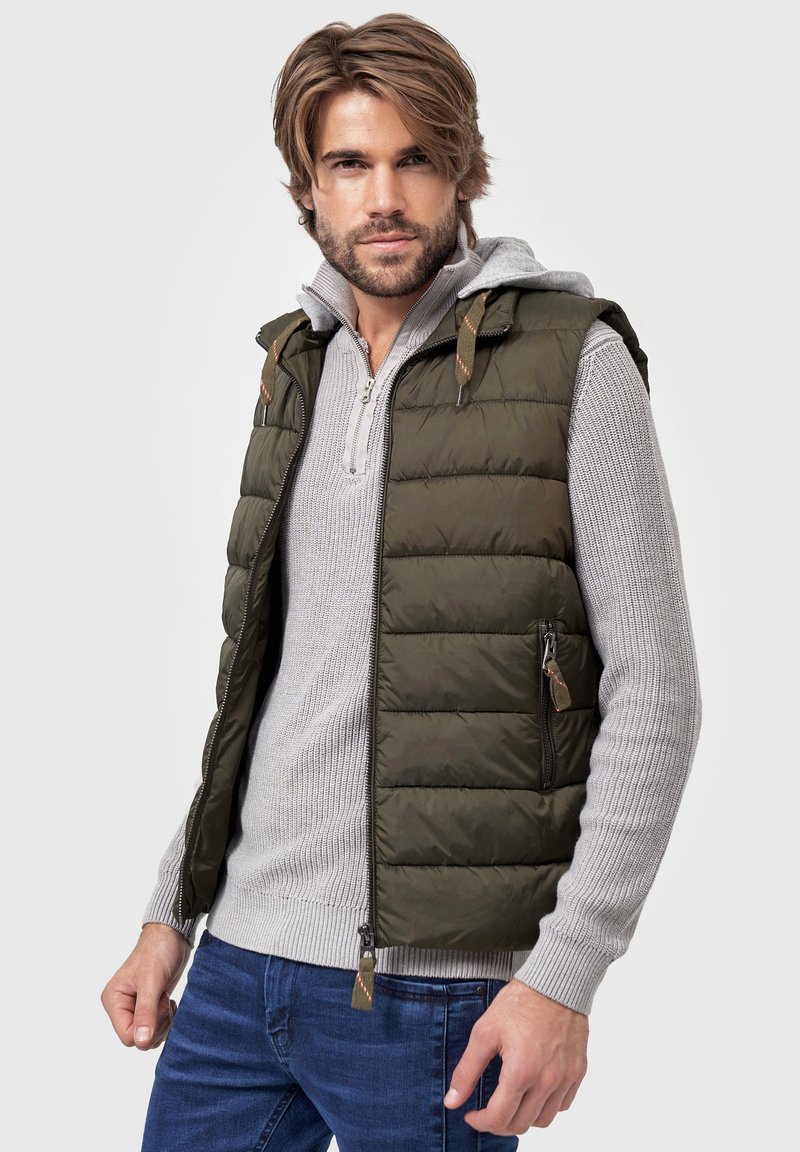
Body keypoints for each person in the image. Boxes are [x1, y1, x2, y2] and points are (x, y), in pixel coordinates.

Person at [100, 13, 703, 1150]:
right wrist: (170, 909)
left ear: (462, 169)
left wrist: (563, 976)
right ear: (307, 186)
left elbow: (657, 694)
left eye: (415, 158)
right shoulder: (293, 365)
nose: (384, 197)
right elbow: (264, 686)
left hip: (436, 999)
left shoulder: (573, 360)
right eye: (349, 164)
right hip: (235, 971)